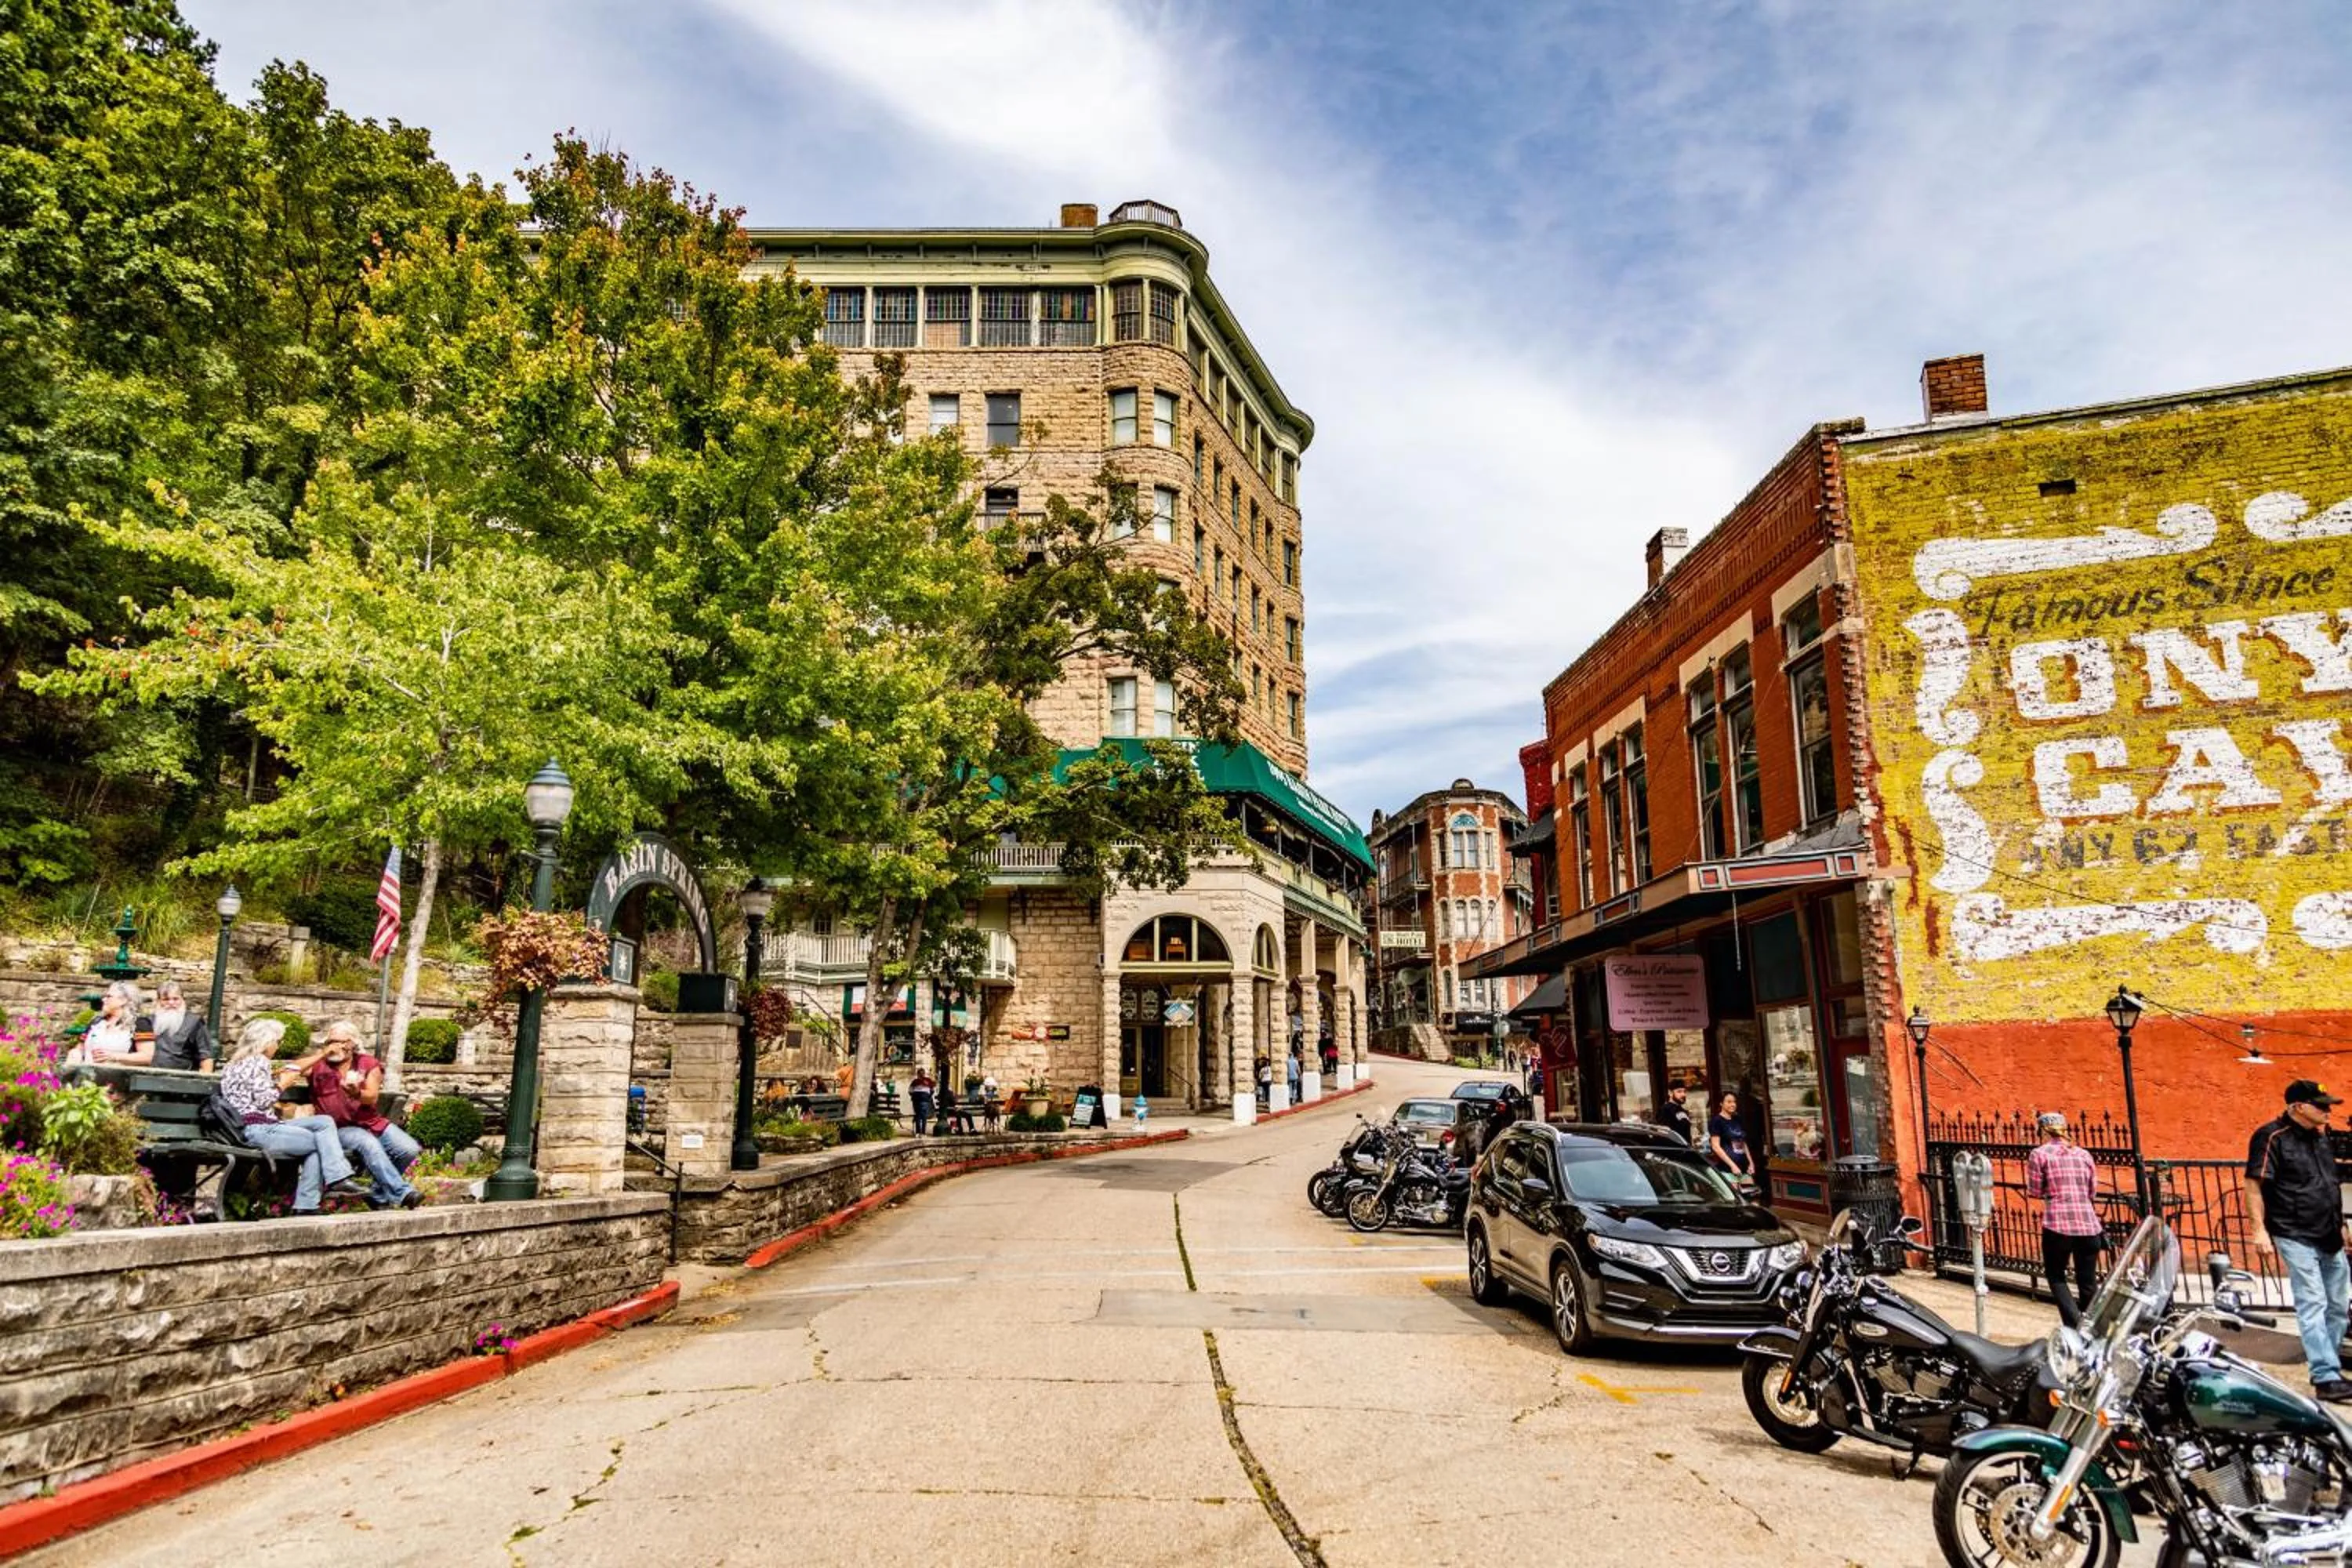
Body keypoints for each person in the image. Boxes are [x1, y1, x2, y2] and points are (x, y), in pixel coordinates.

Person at [2248, 1080, 2352, 1402]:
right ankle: (2325, 1375)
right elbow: (2254, 1185)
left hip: (2329, 1232)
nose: (2327, 1110)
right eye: (2320, 1105)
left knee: (2338, 1305)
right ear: (2297, 1107)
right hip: (2293, 1231)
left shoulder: (2322, 1138)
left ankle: (2328, 1365)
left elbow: (2329, 1185)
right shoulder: (2271, 1137)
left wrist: (2341, 1224)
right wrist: (2258, 1231)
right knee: (2313, 1301)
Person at [218, 1018, 361, 1214]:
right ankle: (315, 1198)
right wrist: (283, 1084)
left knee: (323, 1122)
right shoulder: (259, 1061)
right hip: (258, 1129)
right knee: (320, 1143)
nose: (278, 1046)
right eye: (277, 1041)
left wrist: (277, 1079)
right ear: (267, 1042)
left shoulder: (234, 1063)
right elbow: (263, 1101)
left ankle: (335, 1181)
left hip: (255, 1126)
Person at [283, 1021, 422, 1210]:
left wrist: (356, 1094)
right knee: (368, 1143)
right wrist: (323, 1054)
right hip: (337, 1129)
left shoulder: (367, 1063)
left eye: (340, 1042)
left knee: (409, 1149)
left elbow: (371, 1097)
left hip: (370, 1122)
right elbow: (290, 1069)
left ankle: (378, 1195)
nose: (334, 1046)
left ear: (352, 1044)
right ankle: (403, 1193)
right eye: (330, 1041)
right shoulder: (319, 1065)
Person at [2024, 1112, 2103, 1328]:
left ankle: (2074, 1325)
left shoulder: (2039, 1154)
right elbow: (2092, 1191)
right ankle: (2092, 1328)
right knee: (2088, 1281)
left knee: (2056, 1276)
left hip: (2058, 1225)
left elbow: (2034, 1190)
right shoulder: (2084, 1154)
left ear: (2042, 1131)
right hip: (2089, 1225)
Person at [71, 982, 152, 1065]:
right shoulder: (96, 1022)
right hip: (88, 1072)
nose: (103, 1000)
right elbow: (80, 1048)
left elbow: (148, 1056)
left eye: (109, 996)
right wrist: (75, 1054)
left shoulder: (139, 1023)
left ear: (123, 1000)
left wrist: (114, 1057)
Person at [147, 981, 216, 1072]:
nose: (171, 1003)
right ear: (159, 1001)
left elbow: (206, 1056)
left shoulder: (194, 1022)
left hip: (181, 1077)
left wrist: (206, 1078)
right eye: (166, 999)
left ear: (182, 1000)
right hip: (148, 1074)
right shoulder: (148, 1022)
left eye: (176, 999)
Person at [1708, 1091, 1756, 1185]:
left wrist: (1751, 1163)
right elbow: (1716, 1147)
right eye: (1729, 1102)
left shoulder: (1737, 1119)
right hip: (1728, 1170)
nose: (1733, 1105)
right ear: (1721, 1103)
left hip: (1744, 1168)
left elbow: (1743, 1143)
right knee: (1734, 1195)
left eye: (1734, 1102)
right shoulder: (1717, 1121)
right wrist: (1732, 1165)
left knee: (1751, 1193)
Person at [1658, 1082, 1695, 1147]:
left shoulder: (1682, 1110)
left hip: (1686, 1149)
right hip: (1675, 1150)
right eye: (1679, 1092)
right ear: (1670, 1093)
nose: (1683, 1094)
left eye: (1684, 1091)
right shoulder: (1665, 1109)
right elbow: (1664, 1133)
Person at [910, 1069, 935, 1136]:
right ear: (924, 1074)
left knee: (917, 1115)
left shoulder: (915, 1081)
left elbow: (910, 1091)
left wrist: (913, 1096)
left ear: (918, 1074)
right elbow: (932, 1090)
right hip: (925, 1099)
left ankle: (918, 1132)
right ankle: (923, 1133)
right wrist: (928, 1097)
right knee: (924, 1116)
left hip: (916, 1099)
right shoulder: (928, 1080)